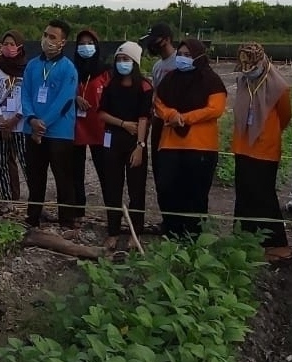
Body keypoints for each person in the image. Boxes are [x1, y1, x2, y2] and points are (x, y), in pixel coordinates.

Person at [153, 39, 227, 238]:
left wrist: (184, 118)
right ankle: (171, 229)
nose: (182, 59)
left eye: (188, 55)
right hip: (170, 144)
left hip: (201, 146)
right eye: (180, 54)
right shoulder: (170, 79)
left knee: (195, 192)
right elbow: (158, 102)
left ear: (198, 57)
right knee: (167, 188)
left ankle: (193, 235)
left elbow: (216, 108)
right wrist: (171, 115)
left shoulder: (211, 80)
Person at [231, 43, 292, 261]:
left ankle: (277, 245)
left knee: (263, 197)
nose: (248, 68)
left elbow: (285, 116)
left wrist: (268, 132)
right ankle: (246, 240)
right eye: (244, 63)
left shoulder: (278, 86)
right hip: (242, 146)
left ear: (261, 61)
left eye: (251, 63)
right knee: (244, 195)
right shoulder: (243, 81)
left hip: (265, 149)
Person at [22, 20, 78, 229]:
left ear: (63, 42)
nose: (47, 40)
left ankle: (67, 221)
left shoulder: (68, 68)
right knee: (36, 177)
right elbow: (25, 93)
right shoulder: (32, 65)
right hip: (32, 127)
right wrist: (31, 119)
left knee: (63, 177)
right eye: (45, 35)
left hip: (59, 132)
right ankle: (33, 217)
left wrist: (43, 124)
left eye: (53, 37)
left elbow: (65, 101)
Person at [97, 41, 152, 250]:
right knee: (112, 186)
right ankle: (113, 231)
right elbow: (101, 113)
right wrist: (122, 123)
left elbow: (144, 118)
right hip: (112, 139)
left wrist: (140, 146)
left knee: (136, 189)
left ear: (135, 62)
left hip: (135, 143)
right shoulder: (111, 85)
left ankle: (135, 231)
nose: (122, 63)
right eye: (119, 59)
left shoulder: (145, 87)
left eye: (126, 59)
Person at [71, 29, 110, 221]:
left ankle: (113, 213)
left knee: (105, 171)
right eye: (81, 44)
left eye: (89, 43)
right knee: (75, 172)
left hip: (100, 128)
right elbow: (64, 91)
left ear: (96, 45)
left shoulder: (105, 72)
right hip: (77, 127)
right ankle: (78, 211)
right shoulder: (72, 70)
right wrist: (75, 97)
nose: (85, 47)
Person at [0, 30, 29, 207]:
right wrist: (1, 120)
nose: (8, 47)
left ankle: (34, 199)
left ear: (19, 46)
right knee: (1, 162)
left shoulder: (27, 69)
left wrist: (16, 118)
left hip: (20, 123)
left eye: (12, 44)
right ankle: (7, 199)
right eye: (5, 44)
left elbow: (28, 96)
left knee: (26, 161)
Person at [142, 23, 176, 188]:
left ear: (167, 40)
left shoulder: (180, 61)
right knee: (158, 162)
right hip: (159, 119)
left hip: (176, 120)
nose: (152, 44)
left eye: (156, 40)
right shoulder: (157, 67)